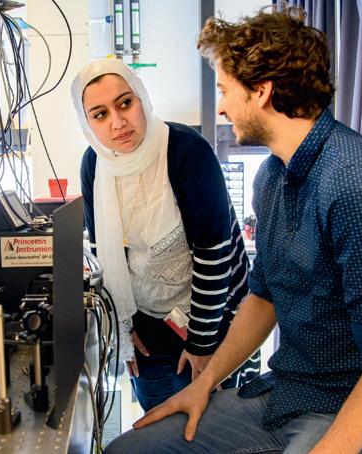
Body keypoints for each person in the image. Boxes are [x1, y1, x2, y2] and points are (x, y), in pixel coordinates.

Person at [104, 7, 362, 454]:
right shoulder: (274, 175)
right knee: (127, 450)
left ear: (261, 91)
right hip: (290, 394)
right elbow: (264, 296)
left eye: (224, 90)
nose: (220, 106)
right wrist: (205, 382)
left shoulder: (354, 185)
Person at [74, 59, 260, 412]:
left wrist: (203, 344)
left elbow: (214, 255)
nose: (117, 122)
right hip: (147, 323)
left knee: (214, 423)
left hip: (212, 315)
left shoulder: (186, 151)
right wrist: (123, 328)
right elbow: (102, 251)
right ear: (87, 123)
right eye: (100, 114)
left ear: (142, 98)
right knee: (160, 424)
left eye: (125, 103)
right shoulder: (94, 164)